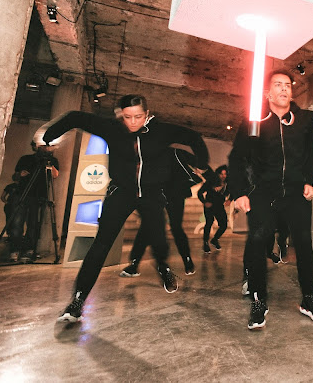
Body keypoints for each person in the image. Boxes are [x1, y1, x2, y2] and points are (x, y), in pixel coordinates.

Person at [44, 94, 209, 323]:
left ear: (147, 114)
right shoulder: (112, 129)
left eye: (138, 117)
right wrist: (48, 137)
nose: (133, 122)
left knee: (159, 241)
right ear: (122, 115)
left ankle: (164, 268)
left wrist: (202, 163)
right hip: (121, 193)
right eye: (128, 117)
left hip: (151, 195)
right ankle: (77, 301)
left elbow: (193, 137)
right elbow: (75, 117)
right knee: (101, 245)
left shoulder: (162, 131)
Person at [229, 69, 313, 330]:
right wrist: (239, 192)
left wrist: (309, 180)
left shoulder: (305, 119)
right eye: (278, 85)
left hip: (295, 192)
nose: (284, 88)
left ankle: (309, 297)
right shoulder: (254, 120)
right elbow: (238, 158)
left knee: (304, 244)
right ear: (267, 93)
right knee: (258, 241)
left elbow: (311, 153)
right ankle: (259, 299)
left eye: (288, 85)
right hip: (262, 192)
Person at [120, 148, 203, 277]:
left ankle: (187, 260)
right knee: (148, 226)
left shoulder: (174, 152)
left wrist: (203, 173)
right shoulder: (147, 153)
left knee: (175, 227)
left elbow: (198, 161)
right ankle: (134, 264)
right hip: (155, 192)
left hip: (174, 193)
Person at [12, 143, 60, 263]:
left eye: (49, 146)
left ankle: (28, 250)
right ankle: (15, 249)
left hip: (39, 196)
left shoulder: (52, 161)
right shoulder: (26, 159)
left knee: (33, 225)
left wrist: (49, 163)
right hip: (22, 194)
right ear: (37, 146)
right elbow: (15, 177)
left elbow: (55, 175)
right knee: (17, 223)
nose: (47, 148)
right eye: (44, 146)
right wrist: (20, 174)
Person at [197, 165, 229, 251]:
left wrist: (230, 200)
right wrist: (205, 202)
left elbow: (232, 191)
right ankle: (205, 243)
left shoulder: (227, 183)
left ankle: (215, 240)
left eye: (225, 174)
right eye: (221, 174)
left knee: (224, 224)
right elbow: (200, 192)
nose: (223, 176)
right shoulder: (211, 181)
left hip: (219, 206)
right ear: (217, 174)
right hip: (210, 205)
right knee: (209, 222)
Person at [1, 175, 23, 262]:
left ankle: (11, 236)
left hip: (15, 206)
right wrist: (7, 203)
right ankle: (11, 236)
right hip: (11, 206)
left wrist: (7, 202)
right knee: (11, 222)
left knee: (12, 222)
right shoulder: (11, 186)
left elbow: (2, 196)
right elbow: (3, 197)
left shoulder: (12, 186)